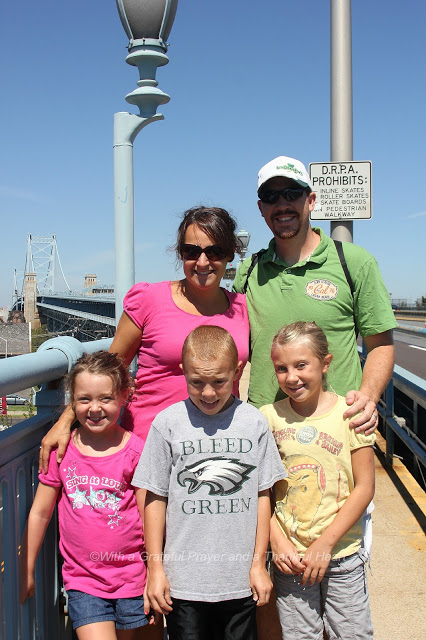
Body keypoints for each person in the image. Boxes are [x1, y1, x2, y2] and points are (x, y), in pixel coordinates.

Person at [40, 205, 249, 468]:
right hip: (152, 446)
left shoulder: (243, 308)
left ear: (230, 254)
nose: (203, 262)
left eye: (215, 251)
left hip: (219, 447)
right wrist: (65, 421)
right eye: (192, 251)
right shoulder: (150, 300)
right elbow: (107, 372)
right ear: (180, 253)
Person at [132, 326, 287, 640]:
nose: (208, 393)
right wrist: (155, 570)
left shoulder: (253, 422)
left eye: (219, 381)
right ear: (183, 372)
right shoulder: (167, 423)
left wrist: (259, 565)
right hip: (183, 584)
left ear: (237, 371)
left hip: (240, 581)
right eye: (196, 382)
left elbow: (263, 495)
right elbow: (155, 499)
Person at [233, 155, 397, 433]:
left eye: (292, 193)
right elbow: (231, 346)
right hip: (266, 426)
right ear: (261, 208)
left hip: (340, 424)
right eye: (271, 196)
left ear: (311, 200)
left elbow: (380, 343)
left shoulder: (354, 262)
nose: (282, 204)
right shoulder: (249, 271)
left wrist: (368, 397)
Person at [20, 351, 152, 639]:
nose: (94, 408)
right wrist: (25, 569)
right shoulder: (61, 452)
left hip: (132, 579)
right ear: (71, 400)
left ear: (123, 396)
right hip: (84, 581)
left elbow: (149, 517)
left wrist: (156, 573)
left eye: (105, 398)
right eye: (84, 399)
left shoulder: (136, 451)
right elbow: (40, 513)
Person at [260, 321, 375, 640]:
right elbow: (260, 491)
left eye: (301, 365)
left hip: (342, 555)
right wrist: (276, 539)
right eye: (281, 368)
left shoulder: (351, 414)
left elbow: (365, 487)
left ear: (325, 363)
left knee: (351, 633)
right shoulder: (268, 417)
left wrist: (325, 544)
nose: (291, 377)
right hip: (291, 558)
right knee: (299, 635)